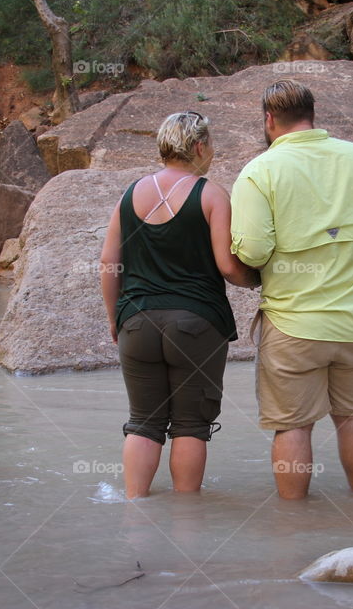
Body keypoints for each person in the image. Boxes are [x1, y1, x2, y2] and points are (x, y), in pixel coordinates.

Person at [230, 80, 353, 500]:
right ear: (312, 114)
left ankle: (294, 525)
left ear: (269, 120)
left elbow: (253, 251)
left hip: (292, 324)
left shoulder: (260, 172)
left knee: (293, 424)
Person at [100, 111, 259, 499]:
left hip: (136, 322)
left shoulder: (130, 194)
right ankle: (186, 518)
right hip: (196, 324)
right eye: (212, 146)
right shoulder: (211, 194)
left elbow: (109, 263)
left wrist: (115, 318)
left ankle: (134, 510)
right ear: (200, 146)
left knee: (143, 422)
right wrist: (259, 280)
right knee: (190, 425)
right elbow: (228, 267)